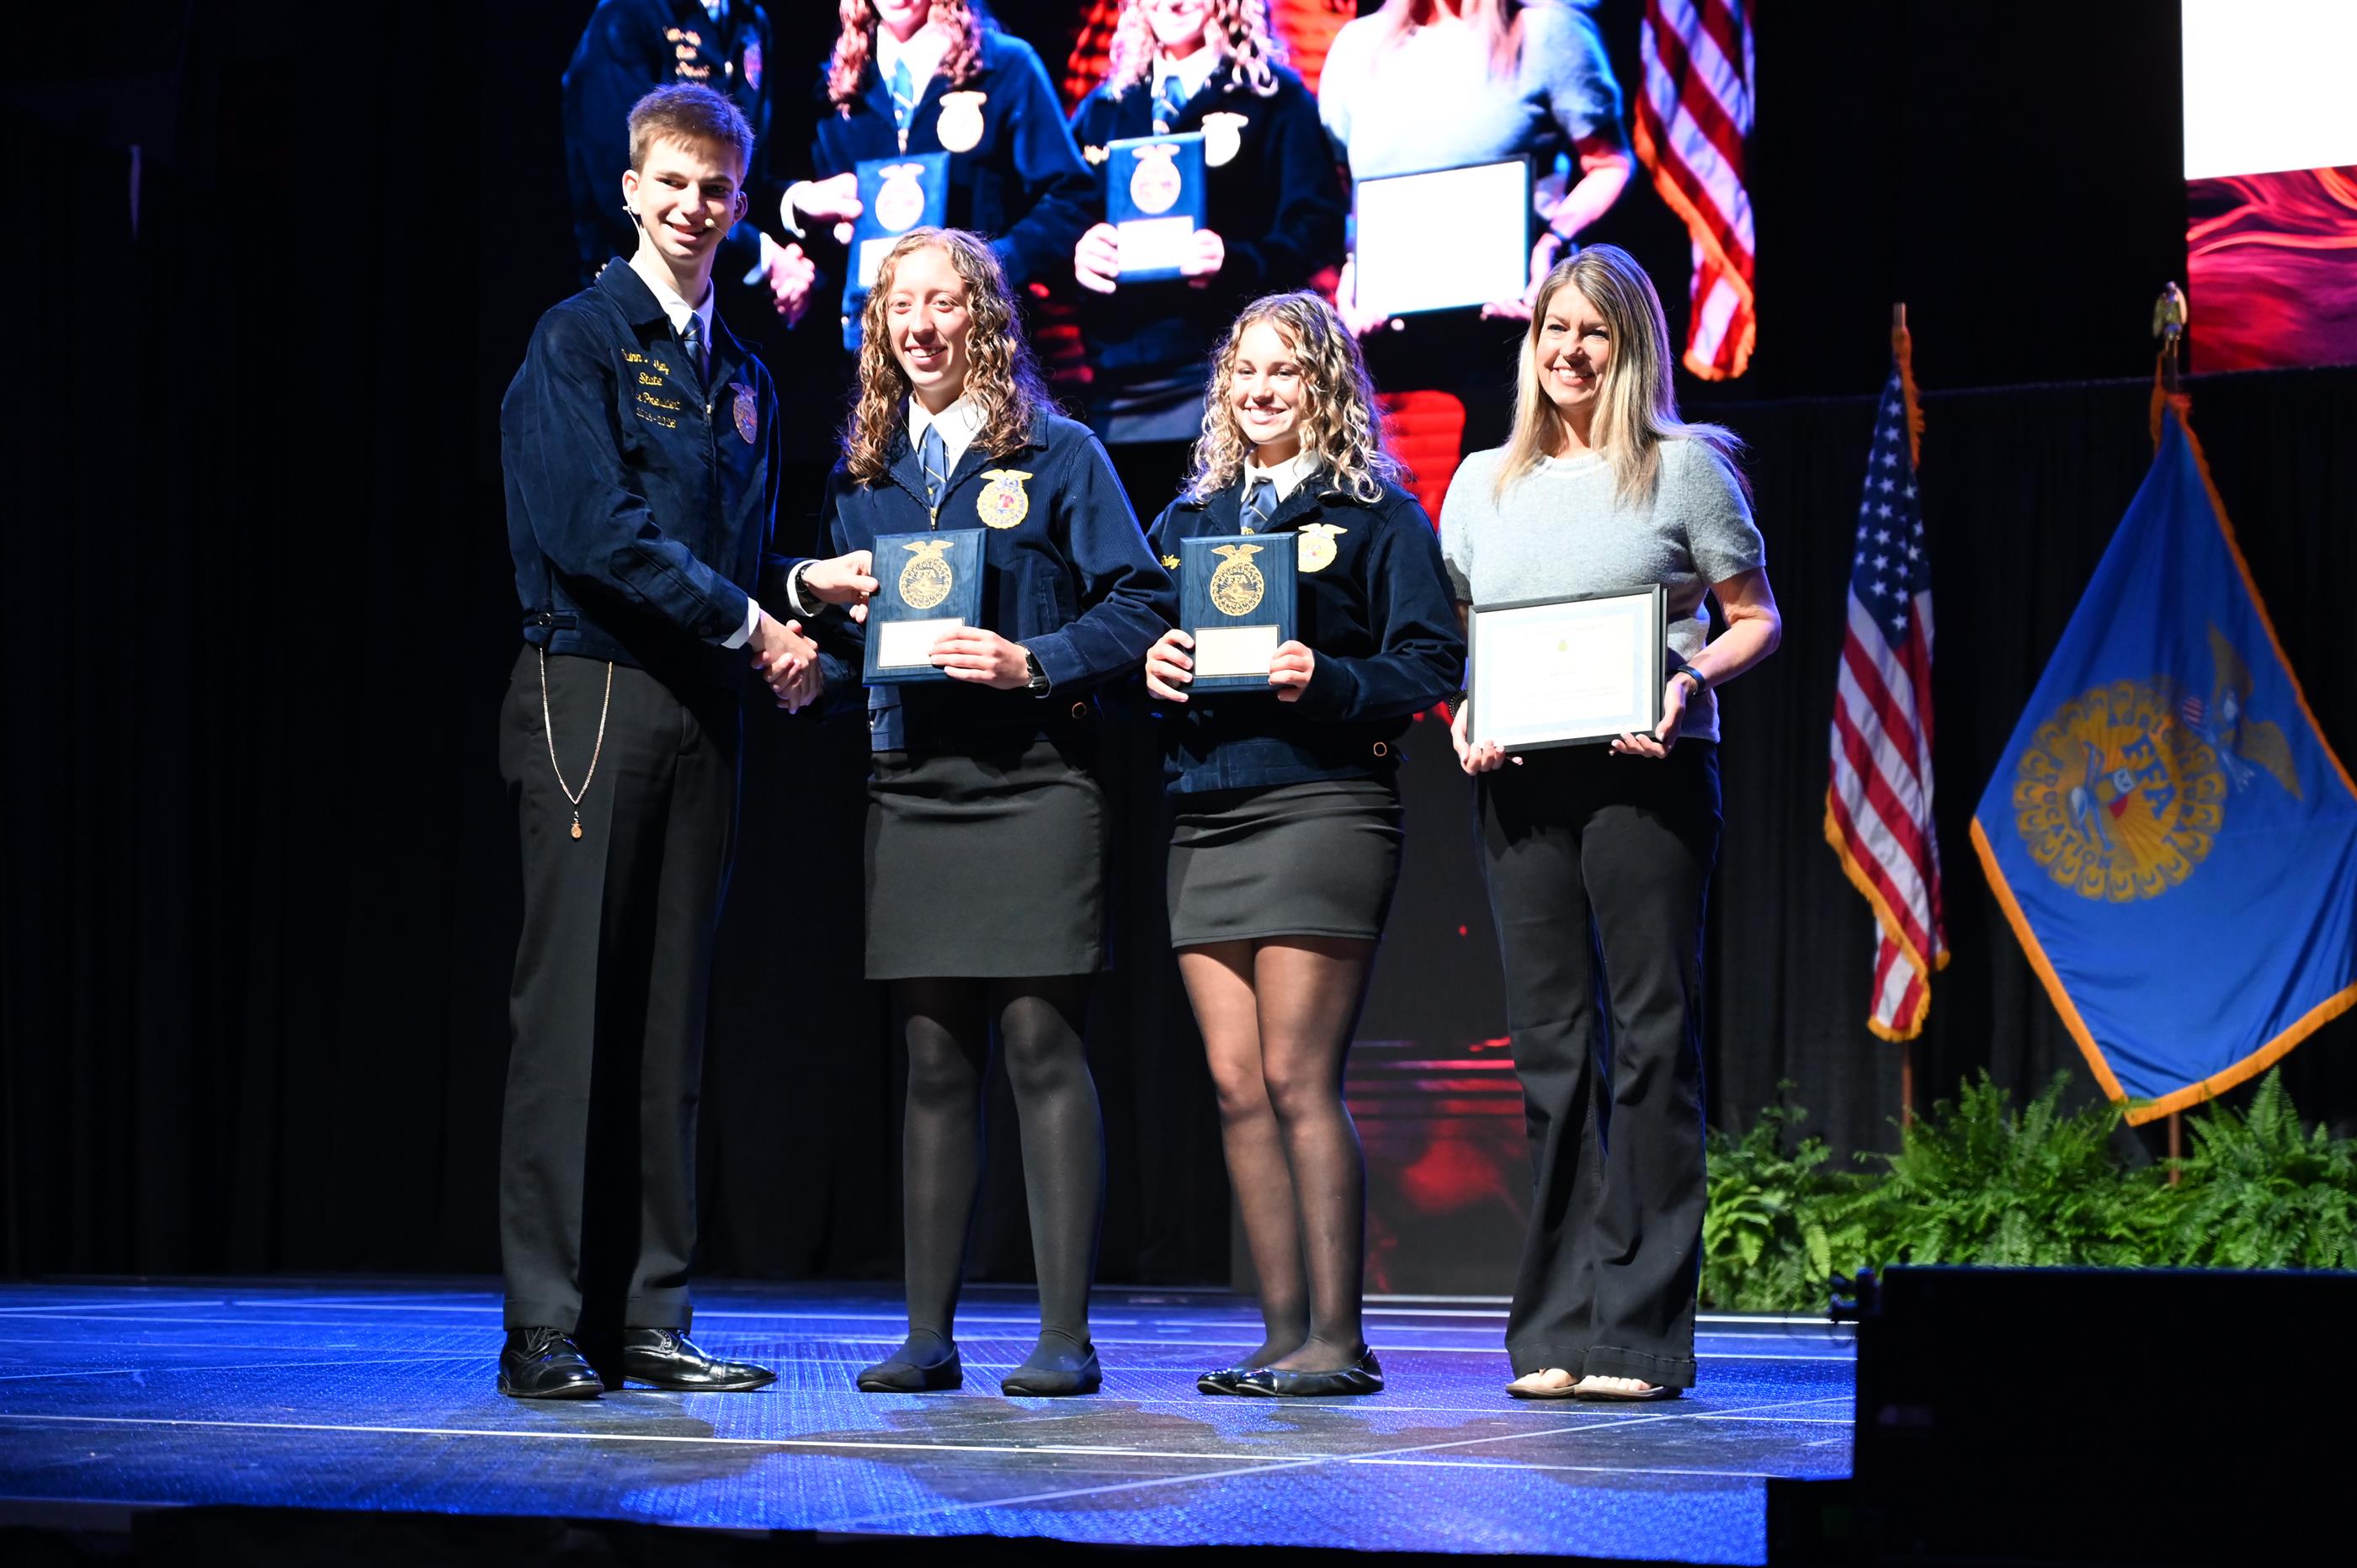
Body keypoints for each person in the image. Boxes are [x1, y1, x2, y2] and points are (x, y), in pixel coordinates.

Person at [496, 83, 875, 1400]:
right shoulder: (579, 340)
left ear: (740, 198)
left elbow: (729, 557)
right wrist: (756, 626)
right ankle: (546, 1323)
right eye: (672, 182)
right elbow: (595, 533)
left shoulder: (747, 376)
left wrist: (800, 592)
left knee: (671, 1028)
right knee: (570, 1020)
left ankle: (649, 1316)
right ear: (630, 188)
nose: (695, 207)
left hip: (703, 707)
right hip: (592, 694)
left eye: (717, 187)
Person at [813, 226, 1174, 1398]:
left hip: (1035, 778)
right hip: (912, 782)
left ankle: (1065, 1335)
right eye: (899, 306)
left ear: (986, 316)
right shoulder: (863, 475)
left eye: (943, 302)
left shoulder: (1059, 452)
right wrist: (810, 617)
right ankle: (928, 1335)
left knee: (1037, 1043)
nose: (920, 326)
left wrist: (1037, 660)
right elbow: (850, 634)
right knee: (931, 1059)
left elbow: (1143, 600)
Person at [1441, 245, 1780, 1401]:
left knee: (1650, 1041)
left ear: (1632, 346)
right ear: (1531, 344)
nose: (1571, 351)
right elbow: (1474, 638)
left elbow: (1755, 619)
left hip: (1649, 776)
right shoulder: (1480, 482)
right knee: (1550, 1052)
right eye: (1555, 329)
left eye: (1595, 331)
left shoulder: (1684, 469)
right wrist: (1467, 712)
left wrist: (1687, 683)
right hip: (1519, 782)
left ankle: (1638, 1334)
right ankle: (1555, 1326)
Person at [1141, 292, 1462, 1397]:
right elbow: (1138, 636)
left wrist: (1328, 679)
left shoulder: (1376, 513)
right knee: (1236, 1084)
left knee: (1294, 1074)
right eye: (1245, 371)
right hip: (1206, 811)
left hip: (1323, 806)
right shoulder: (1191, 517)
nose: (1261, 390)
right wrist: (1151, 670)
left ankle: (1341, 1338)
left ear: (1325, 383)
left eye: (1284, 370)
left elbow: (1432, 660)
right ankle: (1283, 1337)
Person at [1318, 0, 1632, 498]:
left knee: (1507, 497)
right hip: (1392, 335)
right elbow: (1341, 192)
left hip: (1507, 329)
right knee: (1373, 496)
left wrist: (1552, 244)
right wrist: (1354, 270)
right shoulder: (1358, 46)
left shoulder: (1544, 31)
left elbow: (1610, 165)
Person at [1067, 0, 1347, 515]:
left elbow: (1318, 226)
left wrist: (1236, 262)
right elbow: (1062, 217)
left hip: (1230, 377)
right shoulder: (1105, 108)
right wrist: (1078, 254)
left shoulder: (1274, 99)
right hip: (1120, 385)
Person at [786, 1, 1097, 344]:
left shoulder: (1005, 67)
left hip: (980, 338)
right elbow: (799, 212)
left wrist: (987, 266)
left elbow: (1070, 196)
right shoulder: (836, 85)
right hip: (873, 343)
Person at [561, 1, 818, 322]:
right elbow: (620, 187)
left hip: (722, 303)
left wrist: (798, 200)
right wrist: (762, 255)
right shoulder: (626, 15)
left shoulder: (751, 20)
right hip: (632, 306)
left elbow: (744, 177)